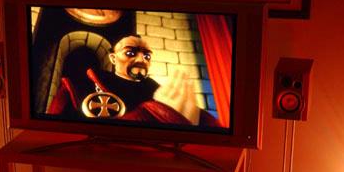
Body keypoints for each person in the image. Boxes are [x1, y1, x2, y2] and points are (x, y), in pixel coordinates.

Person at [47, 35, 219, 127]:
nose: (141, 59)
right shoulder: (79, 85)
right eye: (130, 53)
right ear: (113, 58)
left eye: (147, 56)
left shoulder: (164, 94)